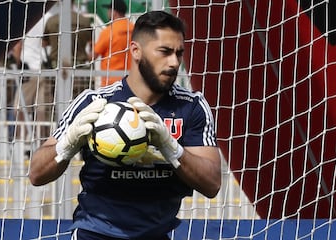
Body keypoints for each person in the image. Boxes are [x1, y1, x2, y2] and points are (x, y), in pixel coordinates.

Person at [29, 11, 221, 239]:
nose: (174, 62)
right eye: (165, 52)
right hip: (94, 232)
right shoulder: (94, 103)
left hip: (155, 234)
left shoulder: (191, 106)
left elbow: (212, 184)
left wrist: (171, 148)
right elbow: (36, 174)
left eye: (179, 53)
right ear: (136, 51)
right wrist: (67, 145)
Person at [93, 0, 134, 86]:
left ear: (114, 12)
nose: (108, 12)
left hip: (111, 82)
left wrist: (90, 46)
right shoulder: (134, 29)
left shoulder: (109, 31)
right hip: (131, 79)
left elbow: (93, 55)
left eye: (109, 10)